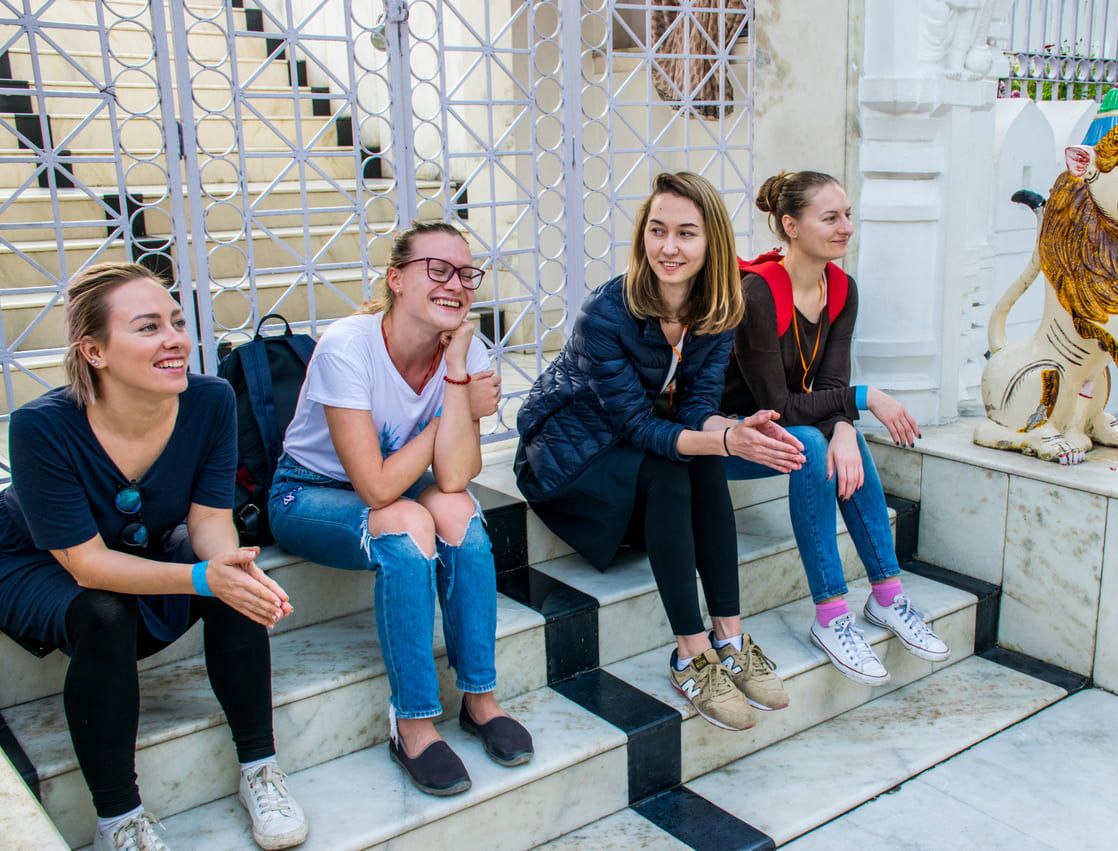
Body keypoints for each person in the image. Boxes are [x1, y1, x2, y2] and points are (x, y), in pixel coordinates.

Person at [0, 263, 308, 851]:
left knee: (232, 574)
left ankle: (260, 769)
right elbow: (85, 565)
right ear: (94, 351)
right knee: (104, 611)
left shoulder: (210, 399)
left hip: (140, 544)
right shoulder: (41, 427)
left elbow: (210, 522)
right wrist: (200, 577)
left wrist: (229, 574)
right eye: (147, 328)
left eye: (175, 322)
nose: (174, 339)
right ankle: (119, 819)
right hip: (37, 559)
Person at [514, 172, 804, 732]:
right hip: (569, 457)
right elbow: (640, 427)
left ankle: (732, 637)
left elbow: (695, 408)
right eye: (658, 230)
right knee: (679, 469)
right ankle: (690, 652)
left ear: (711, 243)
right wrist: (722, 439)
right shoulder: (608, 313)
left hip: (631, 444)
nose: (669, 248)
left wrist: (739, 429)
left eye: (686, 234)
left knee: (702, 460)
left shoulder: (719, 310)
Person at [269, 221, 530, 798]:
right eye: (437, 269)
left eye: (466, 274)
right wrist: (451, 406)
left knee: (459, 513)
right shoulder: (348, 345)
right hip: (308, 491)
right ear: (396, 279)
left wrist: (458, 373)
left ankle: (480, 699)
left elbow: (457, 476)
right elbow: (377, 488)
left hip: (405, 483)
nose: (455, 284)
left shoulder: (466, 347)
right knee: (409, 522)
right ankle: (412, 721)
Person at [722, 170, 951, 687]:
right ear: (791, 226)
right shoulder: (758, 293)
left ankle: (888, 597)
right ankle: (831, 615)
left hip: (789, 427)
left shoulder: (841, 287)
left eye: (847, 214)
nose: (846, 226)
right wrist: (861, 401)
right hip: (728, 434)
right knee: (808, 441)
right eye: (830, 217)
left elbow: (829, 381)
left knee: (837, 441)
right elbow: (774, 404)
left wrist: (846, 426)